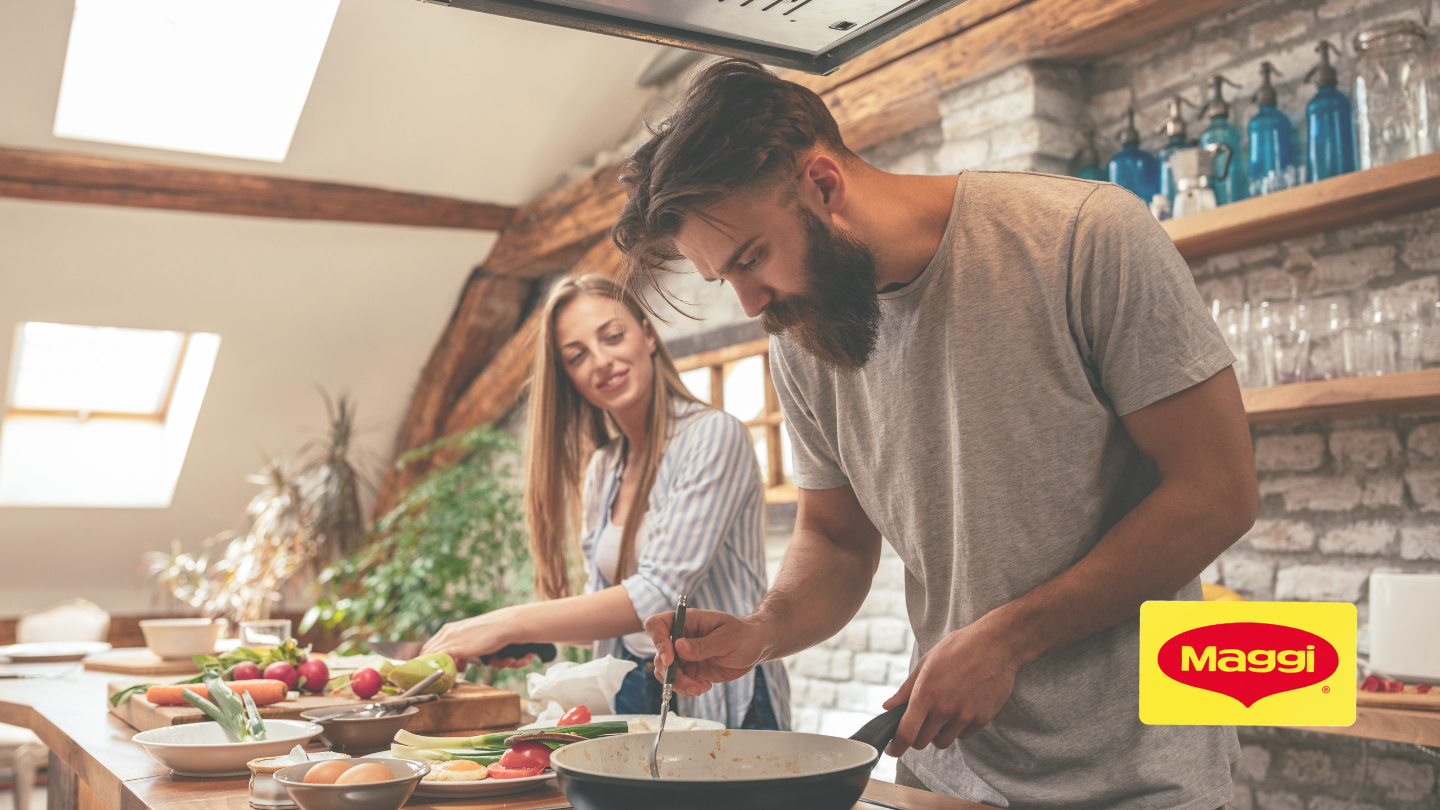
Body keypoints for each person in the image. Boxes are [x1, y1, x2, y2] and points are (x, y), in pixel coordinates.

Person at [613, 60, 1257, 809]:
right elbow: (838, 538)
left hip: (1141, 780)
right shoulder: (801, 338)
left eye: (752, 258)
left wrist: (1009, 639)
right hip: (945, 776)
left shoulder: (1084, 237)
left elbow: (1217, 493)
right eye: (727, 279)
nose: (753, 303)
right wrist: (763, 630)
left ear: (824, 186)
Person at [422, 274, 788, 730]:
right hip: (635, 688)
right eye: (577, 356)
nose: (601, 361)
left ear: (647, 334)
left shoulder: (713, 436)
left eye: (613, 336)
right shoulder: (604, 467)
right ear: (569, 378)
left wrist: (507, 623)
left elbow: (658, 592)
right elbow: (610, 610)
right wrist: (539, 643)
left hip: (723, 693)